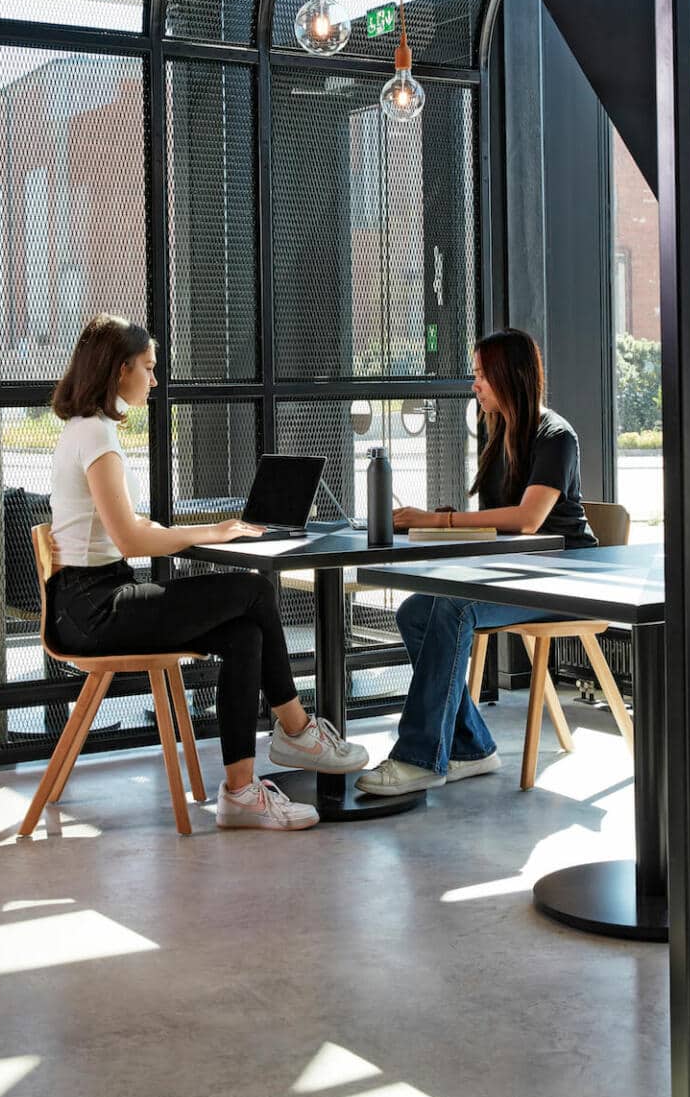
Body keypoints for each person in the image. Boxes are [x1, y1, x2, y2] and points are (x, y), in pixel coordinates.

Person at [47, 316, 368, 831]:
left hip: (92, 599)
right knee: (254, 589)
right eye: (148, 369)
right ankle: (295, 728)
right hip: (95, 610)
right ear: (120, 368)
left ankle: (241, 791)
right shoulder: (96, 437)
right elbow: (129, 541)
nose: (154, 381)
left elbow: (123, 527)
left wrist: (188, 529)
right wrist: (210, 533)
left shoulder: (87, 431)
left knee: (244, 634)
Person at [356, 327, 595, 798]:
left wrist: (438, 519)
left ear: (509, 376)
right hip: (519, 573)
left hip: (569, 579)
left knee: (455, 607)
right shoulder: (501, 433)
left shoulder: (556, 436)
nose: (475, 384)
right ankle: (471, 747)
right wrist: (430, 523)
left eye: (482, 374)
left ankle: (419, 757)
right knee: (415, 611)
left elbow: (527, 521)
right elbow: (497, 526)